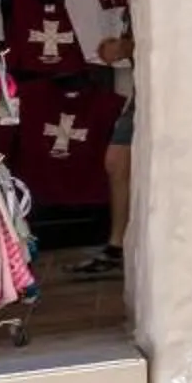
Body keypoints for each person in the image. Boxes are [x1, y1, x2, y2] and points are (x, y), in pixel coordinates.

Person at [71, 31, 131, 279]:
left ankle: (119, 245)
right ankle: (117, 245)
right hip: (141, 95)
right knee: (117, 162)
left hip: (152, 94)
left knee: (118, 161)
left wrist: (123, 48)